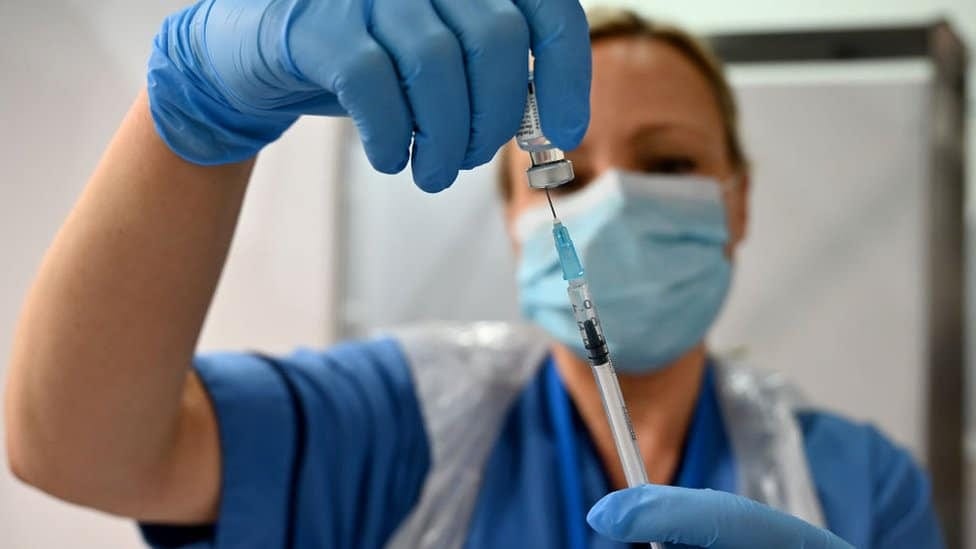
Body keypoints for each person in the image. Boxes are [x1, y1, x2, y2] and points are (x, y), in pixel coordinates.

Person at [4, 1, 944, 547]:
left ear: (737, 204)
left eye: (665, 164)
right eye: (560, 174)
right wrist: (193, 119)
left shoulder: (858, 483)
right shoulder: (396, 419)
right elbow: (76, 450)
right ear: (512, 220)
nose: (610, 201)